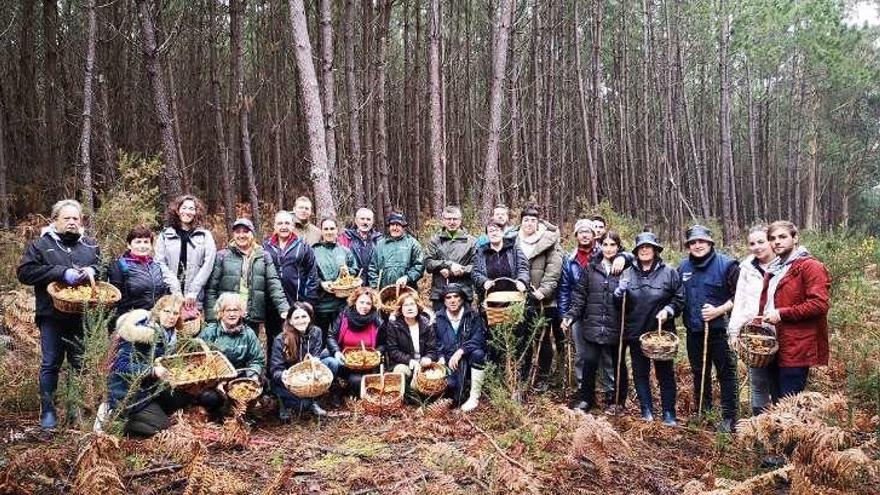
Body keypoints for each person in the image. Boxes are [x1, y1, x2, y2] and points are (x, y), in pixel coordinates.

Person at [17, 199, 101, 429]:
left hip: (81, 314)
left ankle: (75, 408)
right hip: (51, 315)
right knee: (51, 363)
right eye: (67, 218)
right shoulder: (41, 245)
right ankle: (48, 412)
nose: (73, 222)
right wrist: (60, 272)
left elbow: (102, 268)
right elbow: (25, 273)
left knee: (78, 363)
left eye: (76, 218)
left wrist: (94, 271)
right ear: (55, 221)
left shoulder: (90, 246)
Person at [615, 232, 684, 426]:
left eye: (648, 247)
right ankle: (646, 411)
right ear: (636, 252)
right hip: (635, 331)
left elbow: (679, 299)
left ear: (655, 250)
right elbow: (619, 305)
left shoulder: (669, 272)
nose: (645, 250)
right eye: (641, 248)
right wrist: (618, 294)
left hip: (661, 334)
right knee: (640, 372)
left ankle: (669, 413)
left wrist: (669, 310)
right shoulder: (627, 273)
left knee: (665, 374)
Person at [678, 225, 740, 432]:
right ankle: (704, 413)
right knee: (699, 372)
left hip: (720, 331)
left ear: (710, 243)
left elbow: (740, 297)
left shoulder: (727, 265)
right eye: (693, 242)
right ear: (688, 246)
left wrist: (719, 310)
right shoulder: (683, 268)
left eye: (701, 241)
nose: (697, 246)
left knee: (726, 373)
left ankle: (729, 418)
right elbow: (678, 297)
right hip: (694, 330)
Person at [760, 221, 831, 398]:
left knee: (789, 403)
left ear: (795, 238)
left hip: (796, 346)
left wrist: (781, 314)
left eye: (782, 237)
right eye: (772, 238)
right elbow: (766, 304)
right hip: (772, 344)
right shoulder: (775, 268)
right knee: (776, 401)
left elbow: (819, 304)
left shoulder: (810, 266)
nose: (776, 242)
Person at [562, 230, 630, 412]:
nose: (609, 249)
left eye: (613, 245)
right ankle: (586, 399)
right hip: (592, 324)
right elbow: (579, 296)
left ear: (618, 246)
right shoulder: (591, 268)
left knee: (617, 363)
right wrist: (570, 315)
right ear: (600, 246)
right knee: (589, 361)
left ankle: (617, 400)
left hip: (616, 325)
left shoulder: (626, 269)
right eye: (605, 244)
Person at [106, 297, 184, 436]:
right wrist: (152, 370)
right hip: (126, 390)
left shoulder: (170, 335)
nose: (171, 317)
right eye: (167, 311)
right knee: (161, 427)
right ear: (158, 311)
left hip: (148, 387)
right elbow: (120, 365)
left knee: (181, 398)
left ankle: (149, 411)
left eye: (175, 313)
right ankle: (116, 419)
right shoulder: (140, 332)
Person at [728, 225, 778, 415]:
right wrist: (734, 332)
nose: (757, 247)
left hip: (781, 332)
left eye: (761, 242)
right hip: (754, 334)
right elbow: (740, 300)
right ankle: (760, 427)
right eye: (752, 244)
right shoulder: (747, 269)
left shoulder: (784, 266)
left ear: (770, 242)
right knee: (758, 383)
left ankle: (782, 425)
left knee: (780, 382)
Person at [205, 218, 290, 327]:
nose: (241, 235)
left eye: (245, 231)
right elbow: (211, 289)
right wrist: (212, 318)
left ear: (252, 234)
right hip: (227, 315)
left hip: (251, 316)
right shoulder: (222, 256)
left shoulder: (263, 256)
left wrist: (284, 309)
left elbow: (274, 285)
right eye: (237, 232)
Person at [515, 205, 563, 391]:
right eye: (526, 220)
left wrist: (544, 290)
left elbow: (554, 269)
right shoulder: (514, 239)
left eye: (533, 220)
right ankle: (524, 375)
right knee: (523, 338)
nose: (529, 223)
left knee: (542, 339)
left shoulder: (549, 240)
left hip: (544, 300)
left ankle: (543, 377)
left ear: (538, 222)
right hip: (519, 300)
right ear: (521, 222)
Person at [262, 211, 318, 368]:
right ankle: (274, 376)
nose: (283, 226)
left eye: (287, 223)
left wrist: (309, 302)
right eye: (280, 223)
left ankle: (298, 373)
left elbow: (312, 275)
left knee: (296, 337)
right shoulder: (265, 247)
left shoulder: (303, 247)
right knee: (274, 337)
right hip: (272, 304)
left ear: (292, 225)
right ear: (274, 226)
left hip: (296, 301)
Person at [197, 292, 267, 418]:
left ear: (241, 312)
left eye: (235, 310)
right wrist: (218, 382)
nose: (232, 314)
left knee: (264, 383)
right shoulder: (210, 332)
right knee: (209, 398)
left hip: (240, 377)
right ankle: (216, 413)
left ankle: (246, 409)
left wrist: (252, 378)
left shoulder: (248, 333)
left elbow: (256, 359)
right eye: (228, 310)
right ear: (221, 312)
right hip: (217, 379)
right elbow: (201, 361)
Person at [269, 302, 340, 420]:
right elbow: (275, 369)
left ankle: (313, 399)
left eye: (304, 316)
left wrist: (316, 360)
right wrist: (282, 375)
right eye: (296, 317)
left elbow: (316, 354)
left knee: (332, 363)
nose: (301, 320)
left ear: (310, 318)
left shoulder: (316, 332)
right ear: (290, 321)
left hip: (308, 376)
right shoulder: (281, 339)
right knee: (303, 405)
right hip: (290, 380)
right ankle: (283, 402)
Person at [154, 194, 217, 313]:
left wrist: (193, 292)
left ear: (196, 212)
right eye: (184, 208)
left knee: (192, 329)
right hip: (170, 296)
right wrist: (175, 290)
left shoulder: (205, 236)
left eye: (191, 209)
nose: (187, 212)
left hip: (194, 298)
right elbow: (159, 263)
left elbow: (208, 265)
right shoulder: (165, 236)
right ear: (177, 210)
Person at [434, 284, 487, 411]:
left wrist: (461, 351)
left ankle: (474, 396)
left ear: (462, 299)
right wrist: (440, 357)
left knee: (478, 354)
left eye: (456, 296)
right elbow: (435, 342)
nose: (452, 300)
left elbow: (478, 338)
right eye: (448, 297)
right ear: (444, 301)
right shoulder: (438, 318)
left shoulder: (472, 315)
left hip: (468, 357)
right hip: (448, 359)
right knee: (452, 388)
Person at [327, 287, 385, 395]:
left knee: (356, 381)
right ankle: (336, 390)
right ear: (354, 302)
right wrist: (336, 351)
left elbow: (383, 343)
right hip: (345, 360)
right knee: (331, 362)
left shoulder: (377, 321)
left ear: (372, 305)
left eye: (368, 303)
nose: (364, 306)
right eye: (361, 302)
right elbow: (331, 336)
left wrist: (378, 352)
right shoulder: (344, 316)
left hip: (366, 364)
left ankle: (351, 390)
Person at [109, 225, 170, 317]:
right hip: (130, 321)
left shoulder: (156, 266)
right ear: (129, 245)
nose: (143, 246)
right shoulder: (119, 266)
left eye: (146, 242)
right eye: (138, 242)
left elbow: (163, 294)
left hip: (154, 319)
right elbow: (114, 300)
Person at [313, 217, 360, 338]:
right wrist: (321, 283)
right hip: (321, 304)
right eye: (326, 229)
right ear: (321, 231)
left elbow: (354, 269)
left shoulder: (345, 251)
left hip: (341, 303)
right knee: (321, 337)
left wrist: (347, 271)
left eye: (332, 228)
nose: (329, 232)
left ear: (337, 230)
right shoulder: (313, 250)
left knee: (340, 336)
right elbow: (308, 274)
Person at [425, 206, 476, 312]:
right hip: (439, 293)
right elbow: (428, 263)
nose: (452, 222)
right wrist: (447, 265)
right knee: (440, 326)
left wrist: (459, 271)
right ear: (443, 220)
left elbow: (477, 266)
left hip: (464, 292)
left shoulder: (471, 241)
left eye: (455, 219)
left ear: (460, 220)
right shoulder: (435, 240)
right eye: (448, 219)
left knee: (464, 326)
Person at [385, 294, 439, 383]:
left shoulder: (427, 324)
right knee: (400, 371)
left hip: (423, 364)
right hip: (404, 363)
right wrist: (410, 361)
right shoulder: (394, 325)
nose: (409, 308)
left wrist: (428, 358)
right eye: (406, 305)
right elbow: (393, 350)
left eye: (412, 304)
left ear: (417, 307)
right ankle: (404, 391)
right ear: (400, 309)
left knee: (424, 384)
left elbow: (432, 349)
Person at [472, 221, 530, 301]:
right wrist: (484, 282)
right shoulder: (481, 252)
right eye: (491, 231)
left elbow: (523, 267)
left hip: (514, 297)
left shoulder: (514, 249)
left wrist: (522, 281)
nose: (494, 233)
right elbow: (475, 272)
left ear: (502, 233)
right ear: (487, 235)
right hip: (490, 299)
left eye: (497, 230)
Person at [368, 212, 425, 290]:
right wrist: (375, 287)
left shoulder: (413, 244)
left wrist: (407, 278)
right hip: (384, 291)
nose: (395, 228)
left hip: (407, 291)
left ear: (403, 227)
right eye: (392, 225)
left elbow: (419, 266)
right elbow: (372, 269)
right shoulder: (380, 245)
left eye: (398, 225)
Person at [339, 207, 383, 286]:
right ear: (356, 220)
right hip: (352, 284)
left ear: (372, 222)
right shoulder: (346, 238)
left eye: (368, 219)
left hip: (373, 284)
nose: (365, 222)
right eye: (362, 219)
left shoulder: (379, 240)